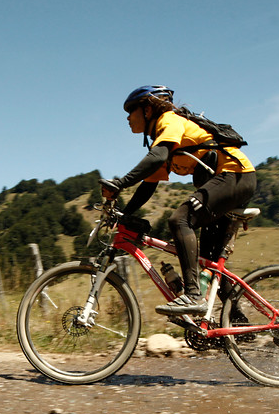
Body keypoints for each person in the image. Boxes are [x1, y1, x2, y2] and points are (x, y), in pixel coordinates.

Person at [99, 85, 257, 316]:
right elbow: (149, 184)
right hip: (229, 181)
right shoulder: (163, 136)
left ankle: (193, 296)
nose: (127, 117)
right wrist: (124, 214)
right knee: (208, 262)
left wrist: (121, 182)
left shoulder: (169, 120)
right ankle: (237, 323)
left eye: (131, 110)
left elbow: (157, 157)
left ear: (147, 109)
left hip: (235, 175)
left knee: (179, 220)